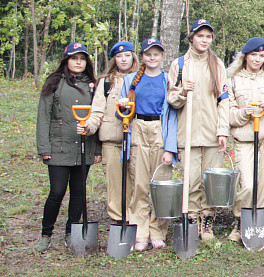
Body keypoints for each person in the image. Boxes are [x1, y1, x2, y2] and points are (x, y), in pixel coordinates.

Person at [35, 43, 101, 253]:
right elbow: (43, 117)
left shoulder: (93, 85)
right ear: (66, 60)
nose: (78, 62)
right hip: (59, 147)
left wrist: (97, 149)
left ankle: (71, 232)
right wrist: (44, 146)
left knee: (79, 192)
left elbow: (99, 117)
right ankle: (46, 234)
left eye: (82, 59)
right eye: (74, 58)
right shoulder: (54, 82)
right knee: (57, 191)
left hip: (84, 146)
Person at [167, 19, 229, 241]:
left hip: (213, 134)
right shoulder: (180, 65)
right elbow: (171, 99)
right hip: (188, 133)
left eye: (208, 37)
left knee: (210, 181)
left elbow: (224, 99)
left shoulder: (217, 64)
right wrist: (183, 92)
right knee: (191, 180)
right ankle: (192, 218)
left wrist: (222, 130)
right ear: (191, 37)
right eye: (200, 36)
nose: (204, 40)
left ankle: (208, 221)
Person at [118, 38, 178, 251]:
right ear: (141, 56)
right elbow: (122, 111)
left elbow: (173, 116)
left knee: (161, 184)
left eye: (156, 54)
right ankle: (140, 231)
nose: (152, 58)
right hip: (138, 130)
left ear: (162, 56)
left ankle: (158, 230)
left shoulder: (167, 80)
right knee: (140, 183)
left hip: (160, 130)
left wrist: (170, 148)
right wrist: (123, 105)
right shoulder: (131, 79)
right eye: (148, 54)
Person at [227, 37, 264, 243]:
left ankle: (259, 225)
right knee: (247, 185)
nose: (257, 59)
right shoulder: (233, 81)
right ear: (245, 57)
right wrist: (245, 112)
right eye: (254, 54)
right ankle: (240, 220)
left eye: (261, 55)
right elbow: (230, 116)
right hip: (244, 140)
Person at [83, 41, 139, 228]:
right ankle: (118, 219)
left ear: (133, 57)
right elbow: (97, 111)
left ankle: (135, 218)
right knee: (115, 182)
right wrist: (89, 127)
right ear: (115, 59)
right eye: (119, 56)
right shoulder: (106, 82)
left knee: (136, 181)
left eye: (127, 55)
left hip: (137, 139)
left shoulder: (143, 78)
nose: (123, 59)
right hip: (113, 139)